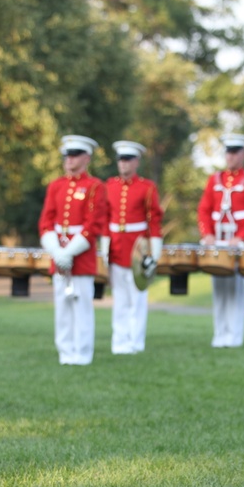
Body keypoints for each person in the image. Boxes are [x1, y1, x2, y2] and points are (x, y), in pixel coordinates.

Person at [39, 135, 108, 365]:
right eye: (67, 155)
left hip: (81, 253)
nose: (69, 159)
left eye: (75, 155)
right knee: (62, 307)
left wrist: (70, 252)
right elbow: (46, 221)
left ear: (86, 158)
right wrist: (57, 251)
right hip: (59, 252)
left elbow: (93, 224)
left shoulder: (94, 186)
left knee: (81, 306)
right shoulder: (56, 185)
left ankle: (82, 353)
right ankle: (65, 352)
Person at [197, 133, 244, 348]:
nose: (231, 156)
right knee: (218, 290)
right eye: (228, 151)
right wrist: (207, 234)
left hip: (239, 243)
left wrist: (241, 238)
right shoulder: (214, 179)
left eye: (235, 152)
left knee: (236, 291)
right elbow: (204, 209)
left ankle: (234, 336)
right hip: (217, 240)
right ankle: (219, 335)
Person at [102, 140, 163, 355]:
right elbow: (104, 220)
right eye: (121, 160)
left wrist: (154, 254)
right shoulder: (109, 186)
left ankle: (135, 342)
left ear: (136, 162)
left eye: (128, 160)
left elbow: (154, 221)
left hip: (137, 249)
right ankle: (119, 342)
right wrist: (104, 250)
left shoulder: (146, 188)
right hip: (116, 248)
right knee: (119, 299)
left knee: (137, 299)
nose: (124, 164)